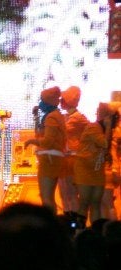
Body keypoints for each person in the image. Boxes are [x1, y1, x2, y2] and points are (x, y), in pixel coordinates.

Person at [74, 102, 117, 228]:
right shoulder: (93, 127)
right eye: (112, 117)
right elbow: (104, 143)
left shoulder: (102, 129)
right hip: (85, 169)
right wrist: (109, 127)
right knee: (84, 203)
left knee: (96, 203)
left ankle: (96, 232)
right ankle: (79, 232)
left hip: (97, 170)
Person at [24, 86, 67, 214]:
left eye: (42, 100)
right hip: (52, 159)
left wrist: (31, 141)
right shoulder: (53, 116)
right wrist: (36, 118)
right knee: (47, 196)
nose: (40, 103)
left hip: (49, 160)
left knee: (46, 197)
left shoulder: (52, 117)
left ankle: (49, 226)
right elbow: (41, 134)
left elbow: (48, 141)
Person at [58, 86, 89, 215]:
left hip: (72, 160)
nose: (60, 102)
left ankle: (75, 225)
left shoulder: (77, 118)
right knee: (65, 194)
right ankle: (69, 223)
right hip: (64, 159)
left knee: (70, 193)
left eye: (63, 99)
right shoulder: (66, 117)